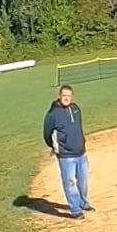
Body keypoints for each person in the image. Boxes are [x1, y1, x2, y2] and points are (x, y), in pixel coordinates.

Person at [42, 84, 92, 219]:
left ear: (72, 97)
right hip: (66, 155)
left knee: (83, 180)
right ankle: (75, 209)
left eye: (69, 96)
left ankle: (83, 202)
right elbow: (47, 134)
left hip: (81, 152)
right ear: (59, 96)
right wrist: (55, 147)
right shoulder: (52, 114)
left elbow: (78, 127)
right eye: (64, 95)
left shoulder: (76, 109)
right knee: (70, 182)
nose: (66, 98)